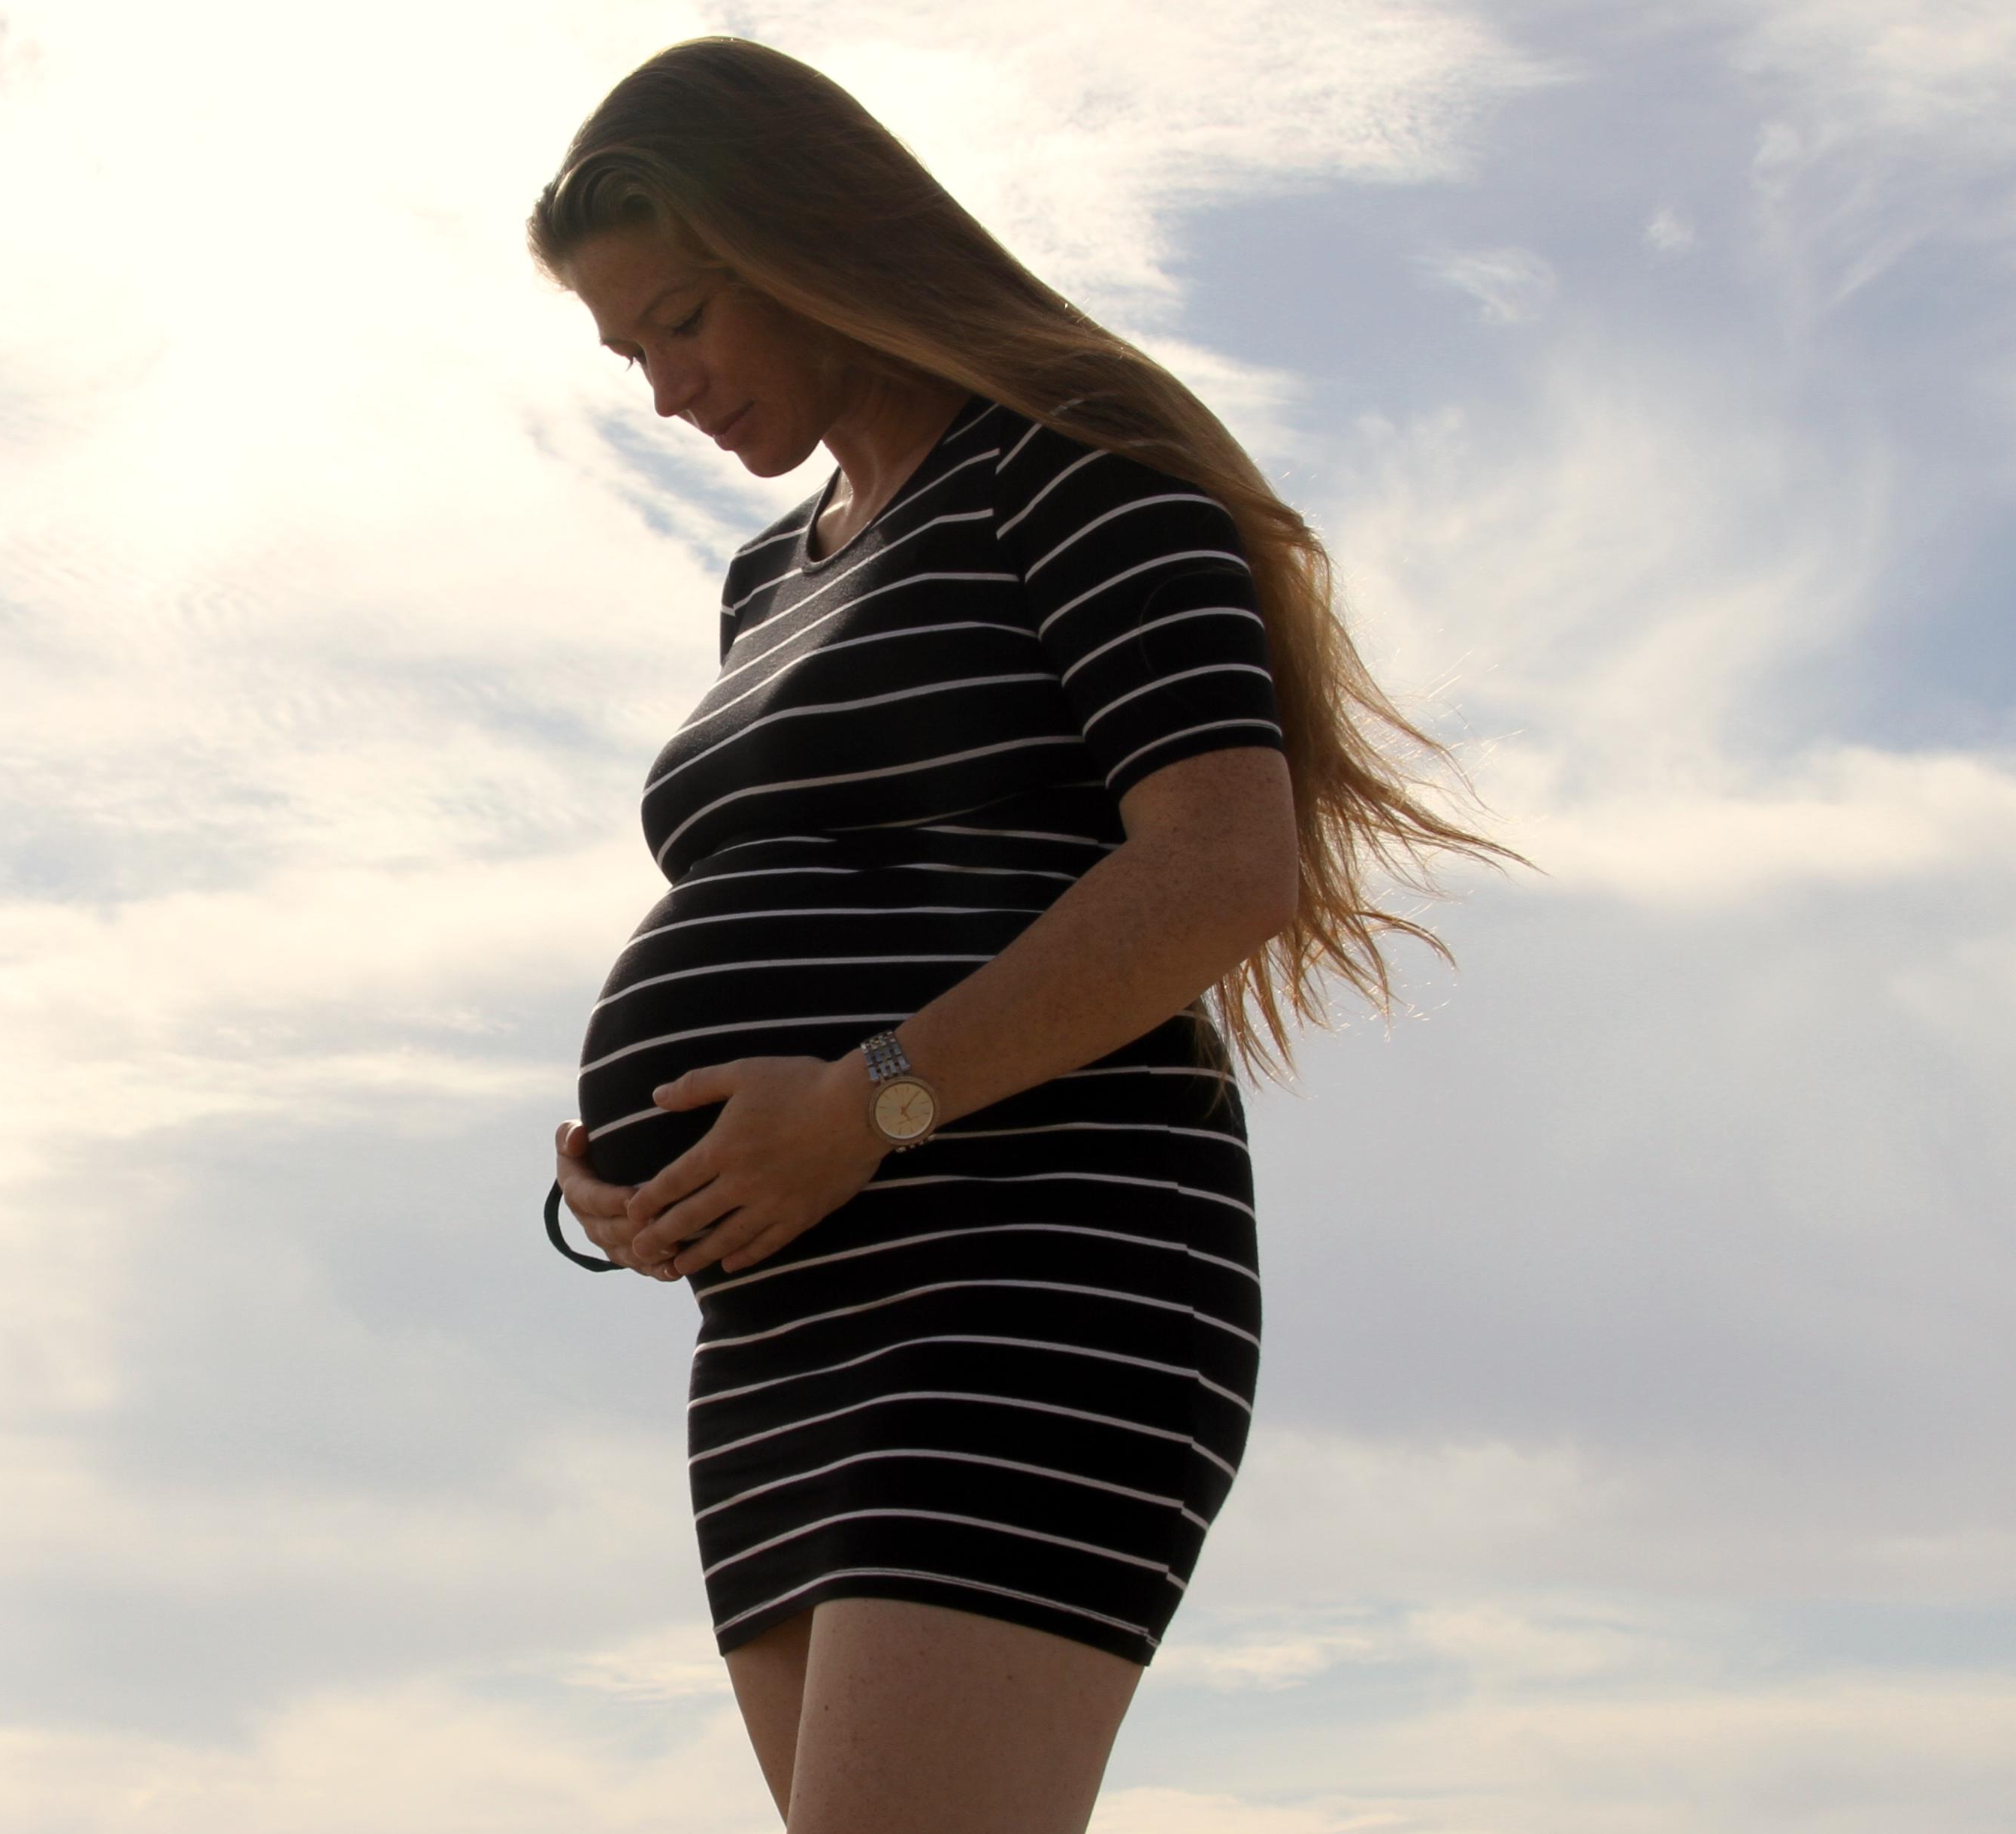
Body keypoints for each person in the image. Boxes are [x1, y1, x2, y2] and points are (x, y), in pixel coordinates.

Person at [532, 38, 1513, 1834]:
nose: (668, 390)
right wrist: (634, 1170)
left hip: (1028, 1261)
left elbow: (1224, 864)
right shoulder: (769, 576)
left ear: (807, 242)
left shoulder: (1073, 464)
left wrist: (867, 1099)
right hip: (781, 1324)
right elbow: (807, 882)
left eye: (683, 322)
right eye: (627, 356)